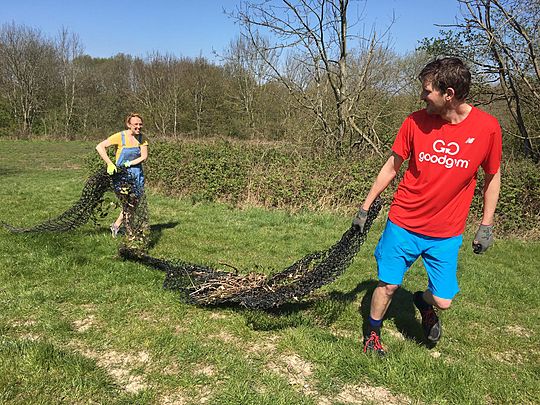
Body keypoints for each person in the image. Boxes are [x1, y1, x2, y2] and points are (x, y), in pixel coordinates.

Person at [352, 57, 502, 356]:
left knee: (444, 299)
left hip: (446, 231)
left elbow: (492, 175)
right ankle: (372, 332)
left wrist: (486, 224)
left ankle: (423, 302)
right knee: (388, 285)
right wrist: (365, 207)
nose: (422, 97)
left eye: (427, 91)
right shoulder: (414, 122)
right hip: (404, 222)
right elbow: (391, 167)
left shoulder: (488, 128)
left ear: (448, 93)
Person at [96, 113, 149, 238]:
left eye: (140, 124)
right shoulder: (120, 137)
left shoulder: (142, 138)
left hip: (137, 174)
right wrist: (109, 163)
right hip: (122, 176)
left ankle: (117, 226)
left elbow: (144, 156)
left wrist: (129, 163)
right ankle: (130, 233)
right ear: (129, 125)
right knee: (128, 203)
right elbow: (100, 147)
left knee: (133, 203)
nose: (138, 127)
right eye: (135, 124)